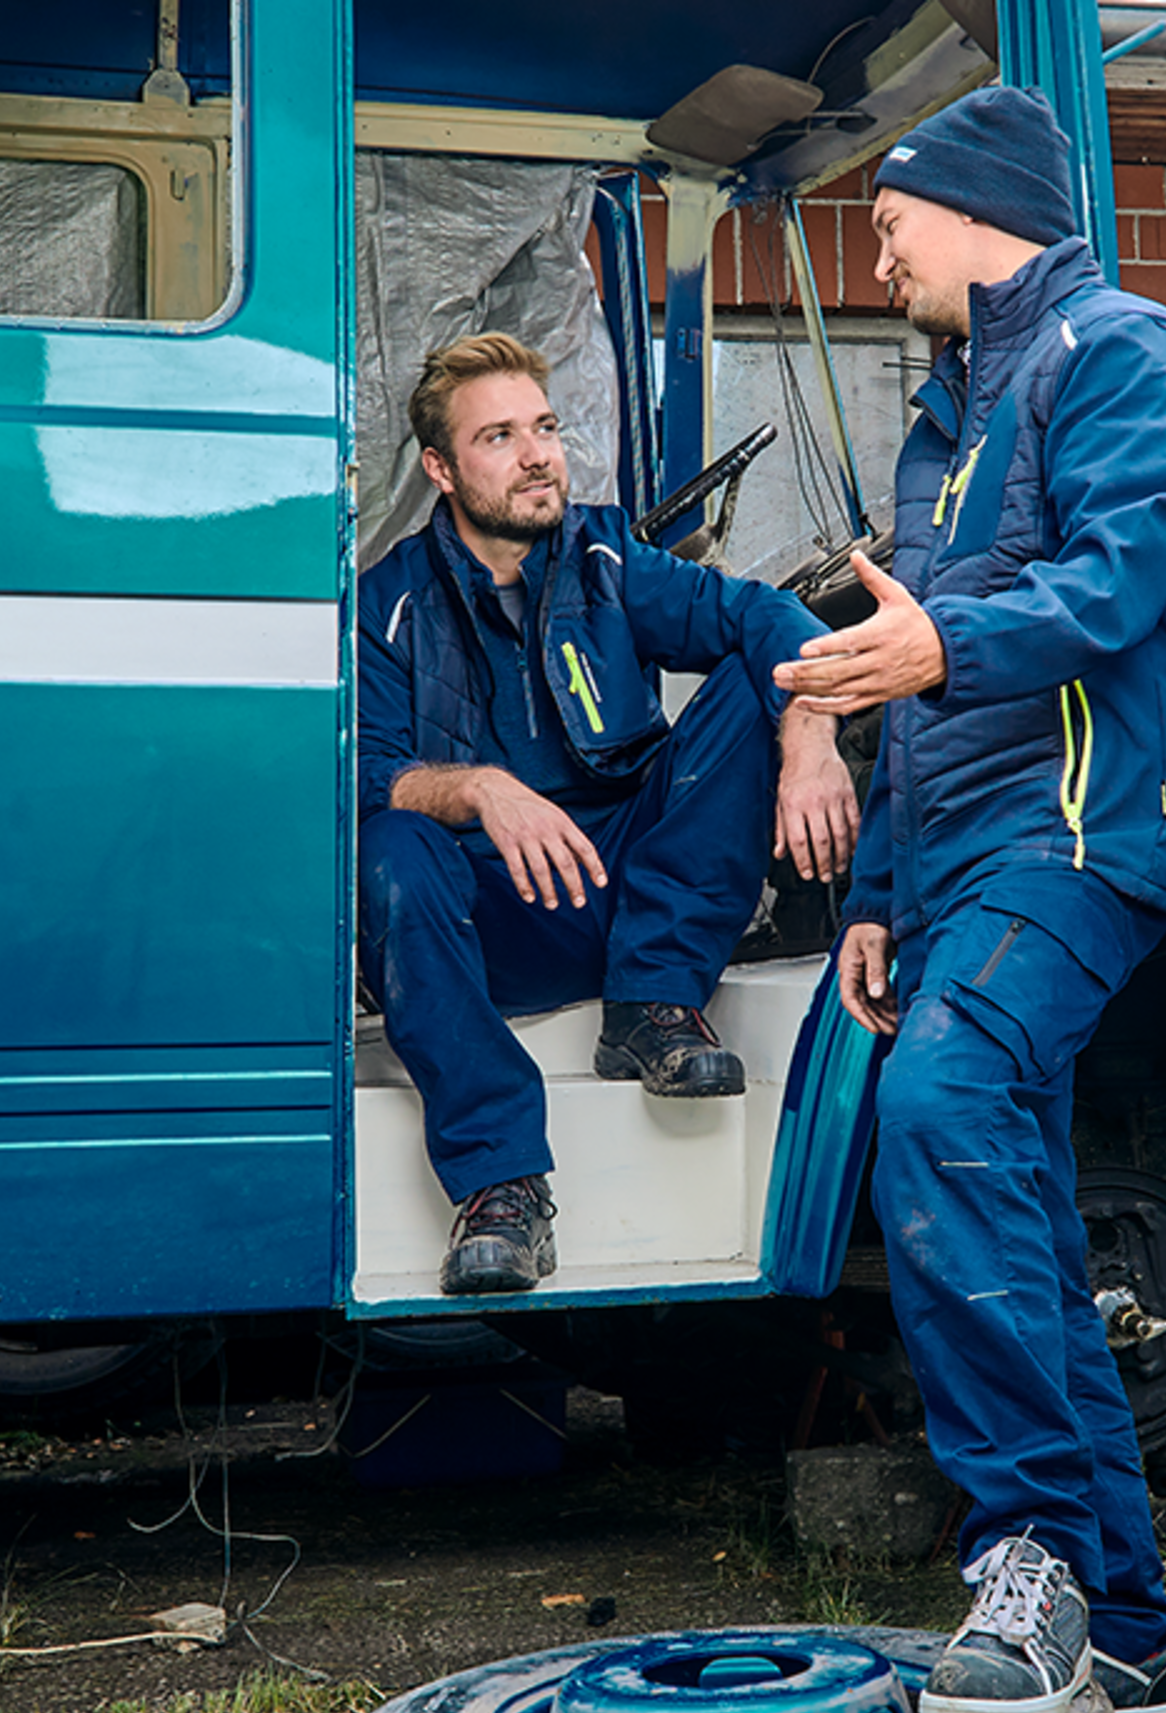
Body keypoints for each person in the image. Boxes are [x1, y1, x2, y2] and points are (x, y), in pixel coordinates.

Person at [776, 88, 1166, 1713]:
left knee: (944, 1101)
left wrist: (938, 648)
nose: (878, 254)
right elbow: (924, 689)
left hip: (1084, 839)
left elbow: (1113, 587)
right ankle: (1134, 1639)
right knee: (1020, 1229)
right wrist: (879, 895)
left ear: (978, 211)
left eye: (892, 222)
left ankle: (1025, 1555)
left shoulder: (1130, 357)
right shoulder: (943, 419)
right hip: (962, 866)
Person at [359, 332, 856, 1296]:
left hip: (630, 897)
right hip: (488, 924)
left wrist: (810, 737)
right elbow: (364, 771)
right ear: (441, 469)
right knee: (390, 844)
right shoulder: (387, 604)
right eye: (499, 437)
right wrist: (478, 787)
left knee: (754, 686)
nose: (537, 455)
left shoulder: (607, 559)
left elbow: (763, 617)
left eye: (544, 428)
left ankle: (652, 1008)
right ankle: (500, 1185)